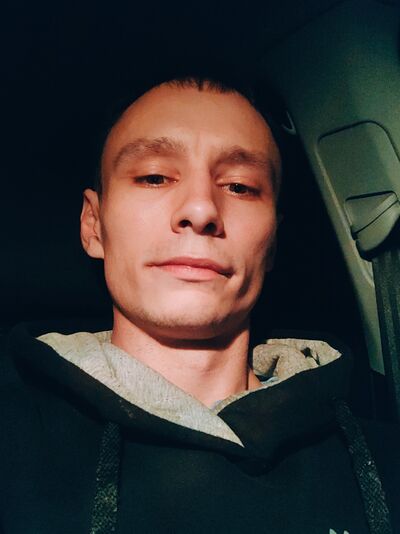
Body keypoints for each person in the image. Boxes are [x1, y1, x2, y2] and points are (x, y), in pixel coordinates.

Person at [1, 70, 399, 534]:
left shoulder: (383, 458)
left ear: (272, 242)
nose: (201, 209)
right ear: (94, 225)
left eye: (240, 186)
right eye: (153, 177)